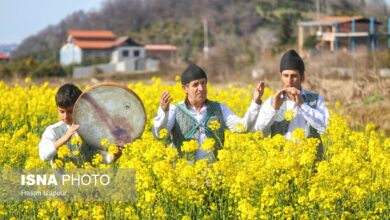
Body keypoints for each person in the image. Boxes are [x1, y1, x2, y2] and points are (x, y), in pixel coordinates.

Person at [153, 63, 265, 161]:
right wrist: (164, 112)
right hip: (185, 178)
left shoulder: (220, 108)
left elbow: (243, 128)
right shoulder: (174, 110)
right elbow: (160, 134)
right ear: (184, 88)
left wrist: (255, 102)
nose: (201, 88)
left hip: (215, 176)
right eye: (195, 85)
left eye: (203, 83)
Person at [253, 49, 329, 159]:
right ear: (281, 76)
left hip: (311, 164)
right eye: (285, 75)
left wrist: (302, 105)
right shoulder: (271, 101)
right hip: (281, 163)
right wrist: (274, 108)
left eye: (294, 76)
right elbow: (260, 132)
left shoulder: (316, 100)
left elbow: (324, 127)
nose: (289, 81)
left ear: (302, 77)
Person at [39, 83, 117, 167]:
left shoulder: (90, 129)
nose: (65, 116)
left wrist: (112, 157)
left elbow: (98, 156)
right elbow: (44, 155)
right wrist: (66, 138)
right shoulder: (52, 131)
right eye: (61, 111)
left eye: (70, 111)